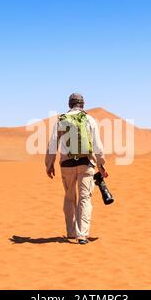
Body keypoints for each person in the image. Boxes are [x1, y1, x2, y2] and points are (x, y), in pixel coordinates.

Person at [45, 93, 108, 245]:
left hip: (66, 165)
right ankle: (82, 235)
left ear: (69, 104)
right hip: (86, 164)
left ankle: (71, 232)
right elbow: (98, 146)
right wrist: (101, 165)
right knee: (84, 198)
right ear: (82, 105)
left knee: (69, 197)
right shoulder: (89, 119)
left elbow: (52, 144)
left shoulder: (61, 120)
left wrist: (49, 164)